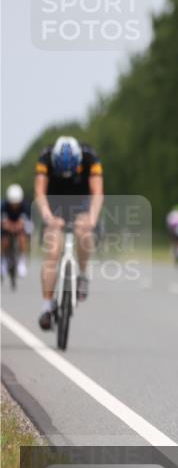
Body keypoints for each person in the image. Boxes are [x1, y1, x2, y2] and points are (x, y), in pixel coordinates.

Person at [33, 135, 104, 331]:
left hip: (81, 204)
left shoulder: (90, 157)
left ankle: (83, 274)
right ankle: (46, 308)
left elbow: (97, 192)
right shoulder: (45, 157)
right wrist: (48, 217)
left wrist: (92, 218)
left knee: (84, 233)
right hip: (55, 206)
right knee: (52, 253)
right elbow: (39, 192)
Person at [1, 183, 30, 279]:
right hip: (7, 226)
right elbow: (3, 221)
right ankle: (3, 261)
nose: (14, 205)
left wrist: (17, 226)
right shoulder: (3, 206)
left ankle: (22, 262)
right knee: (4, 241)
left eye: (16, 203)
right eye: (12, 203)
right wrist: (8, 226)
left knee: (22, 239)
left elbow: (25, 221)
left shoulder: (25, 206)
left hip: (19, 226)